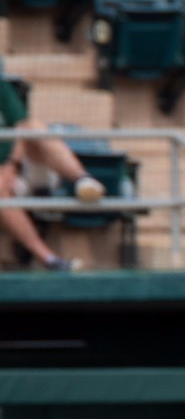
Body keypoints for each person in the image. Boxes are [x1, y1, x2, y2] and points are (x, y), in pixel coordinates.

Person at [2, 75, 104, 272]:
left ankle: (83, 179)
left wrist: (11, 164)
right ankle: (50, 259)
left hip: (22, 165)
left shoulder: (1, 88)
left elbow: (22, 124)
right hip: (3, 185)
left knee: (35, 126)